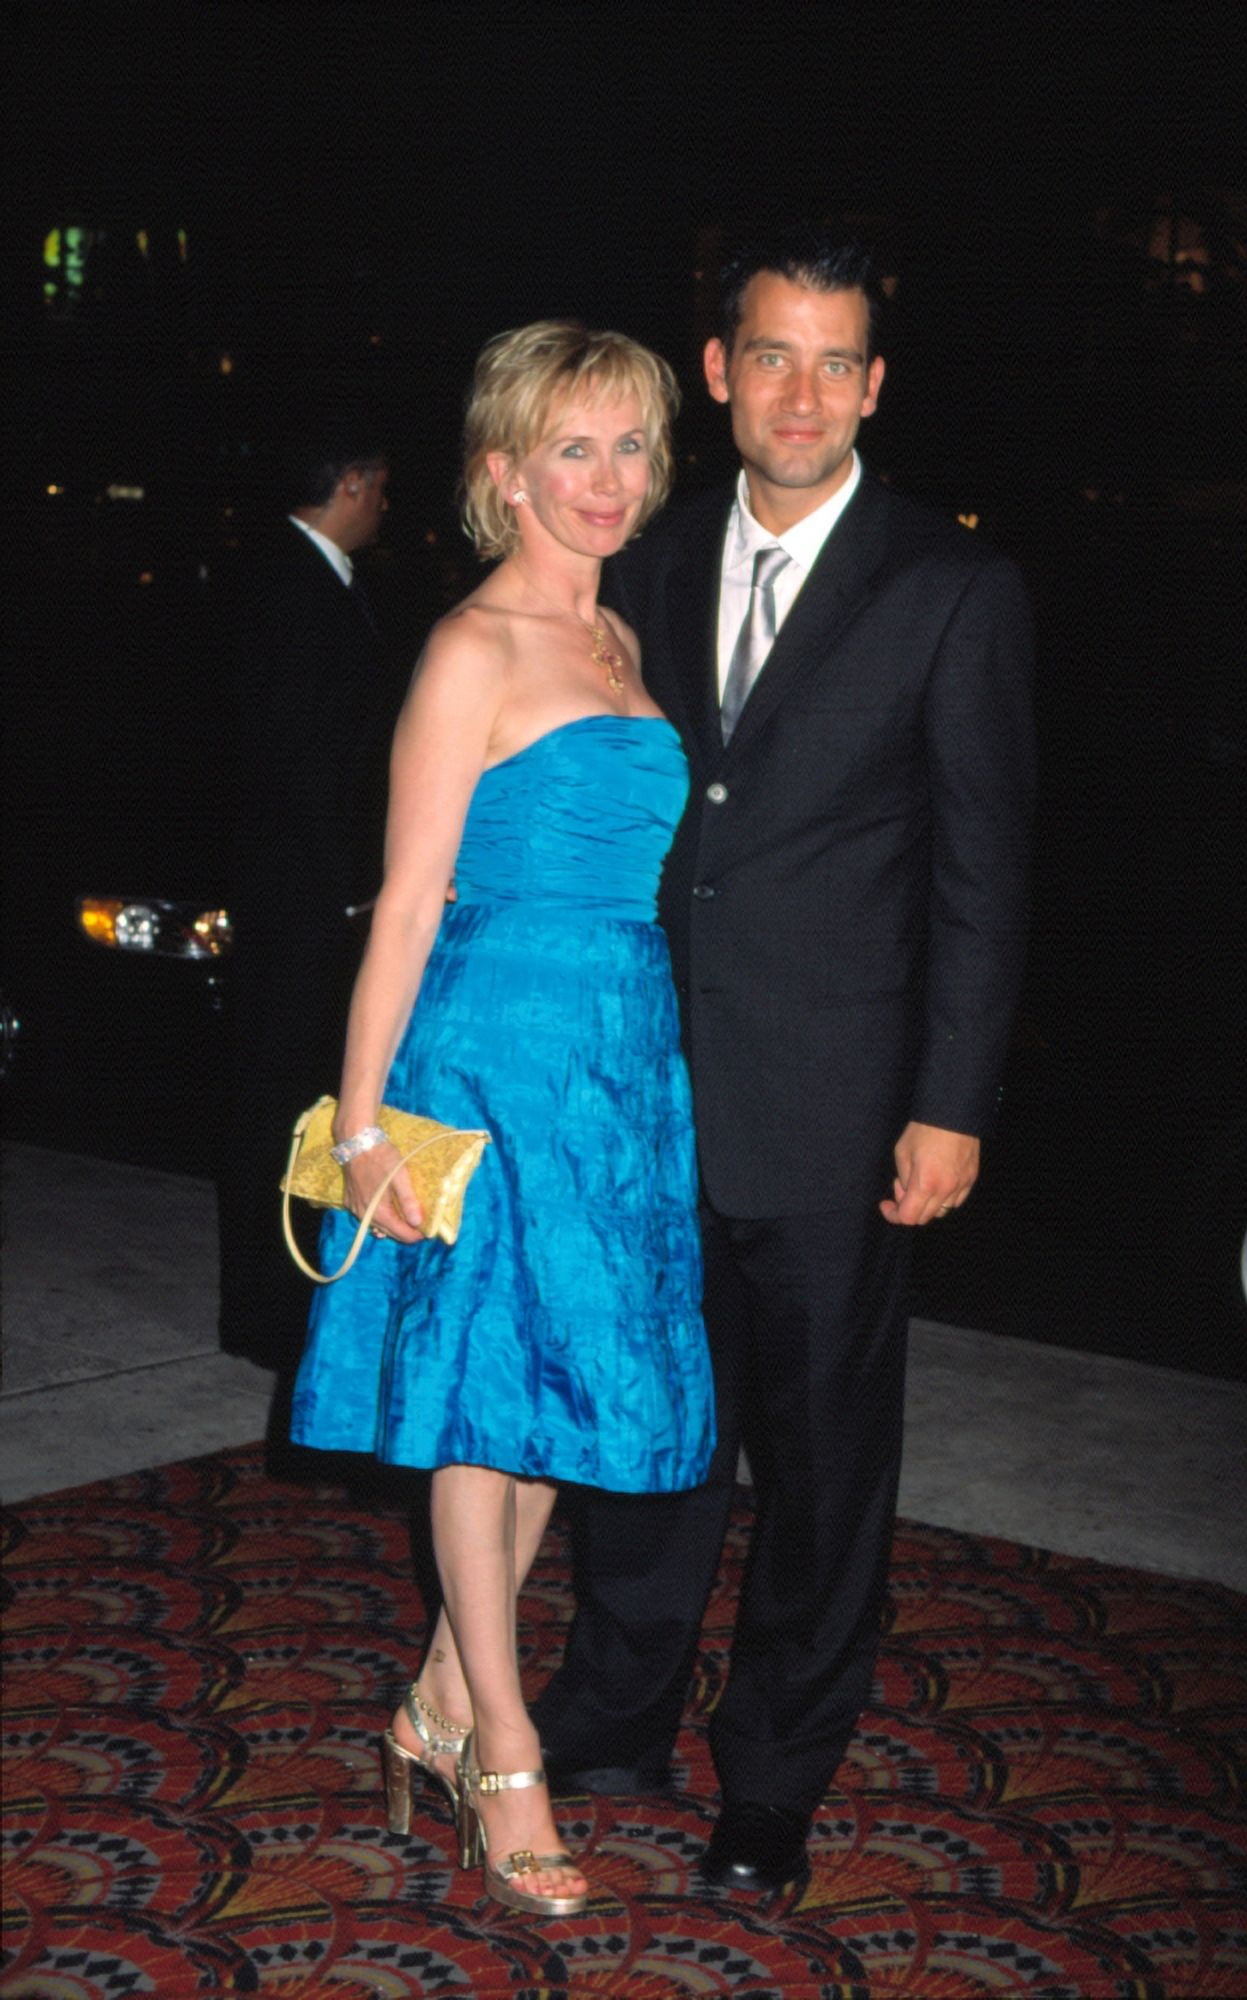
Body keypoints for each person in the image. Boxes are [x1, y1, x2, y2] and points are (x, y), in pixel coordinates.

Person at [533, 226, 1036, 1895]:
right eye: (773, 355)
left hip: (836, 1112)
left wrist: (949, 1102)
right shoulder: (654, 559)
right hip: (647, 1091)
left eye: (836, 362)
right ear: (720, 372)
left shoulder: (952, 586)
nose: (802, 392)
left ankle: (772, 1779)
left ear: (874, 386)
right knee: (648, 1435)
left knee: (821, 1473)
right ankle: (613, 1711)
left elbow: (981, 870)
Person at [288, 323, 714, 1917]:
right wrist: (366, 1124)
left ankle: (435, 1696)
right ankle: (504, 1752)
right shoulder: (469, 647)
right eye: (573, 450)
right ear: (503, 469)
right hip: (484, 1049)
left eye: (628, 449)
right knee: (481, 1397)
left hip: (616, 1058)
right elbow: (402, 905)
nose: (606, 482)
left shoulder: (618, 637)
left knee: (555, 1399)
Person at [219, 429, 397, 1371]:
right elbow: (302, 758)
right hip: (305, 895)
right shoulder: (293, 585)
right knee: (282, 1099)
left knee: (296, 1092)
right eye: (379, 488)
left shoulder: (316, 579)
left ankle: (284, 1301)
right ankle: (271, 1312)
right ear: (353, 479)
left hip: (307, 887)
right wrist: (351, 887)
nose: (384, 507)